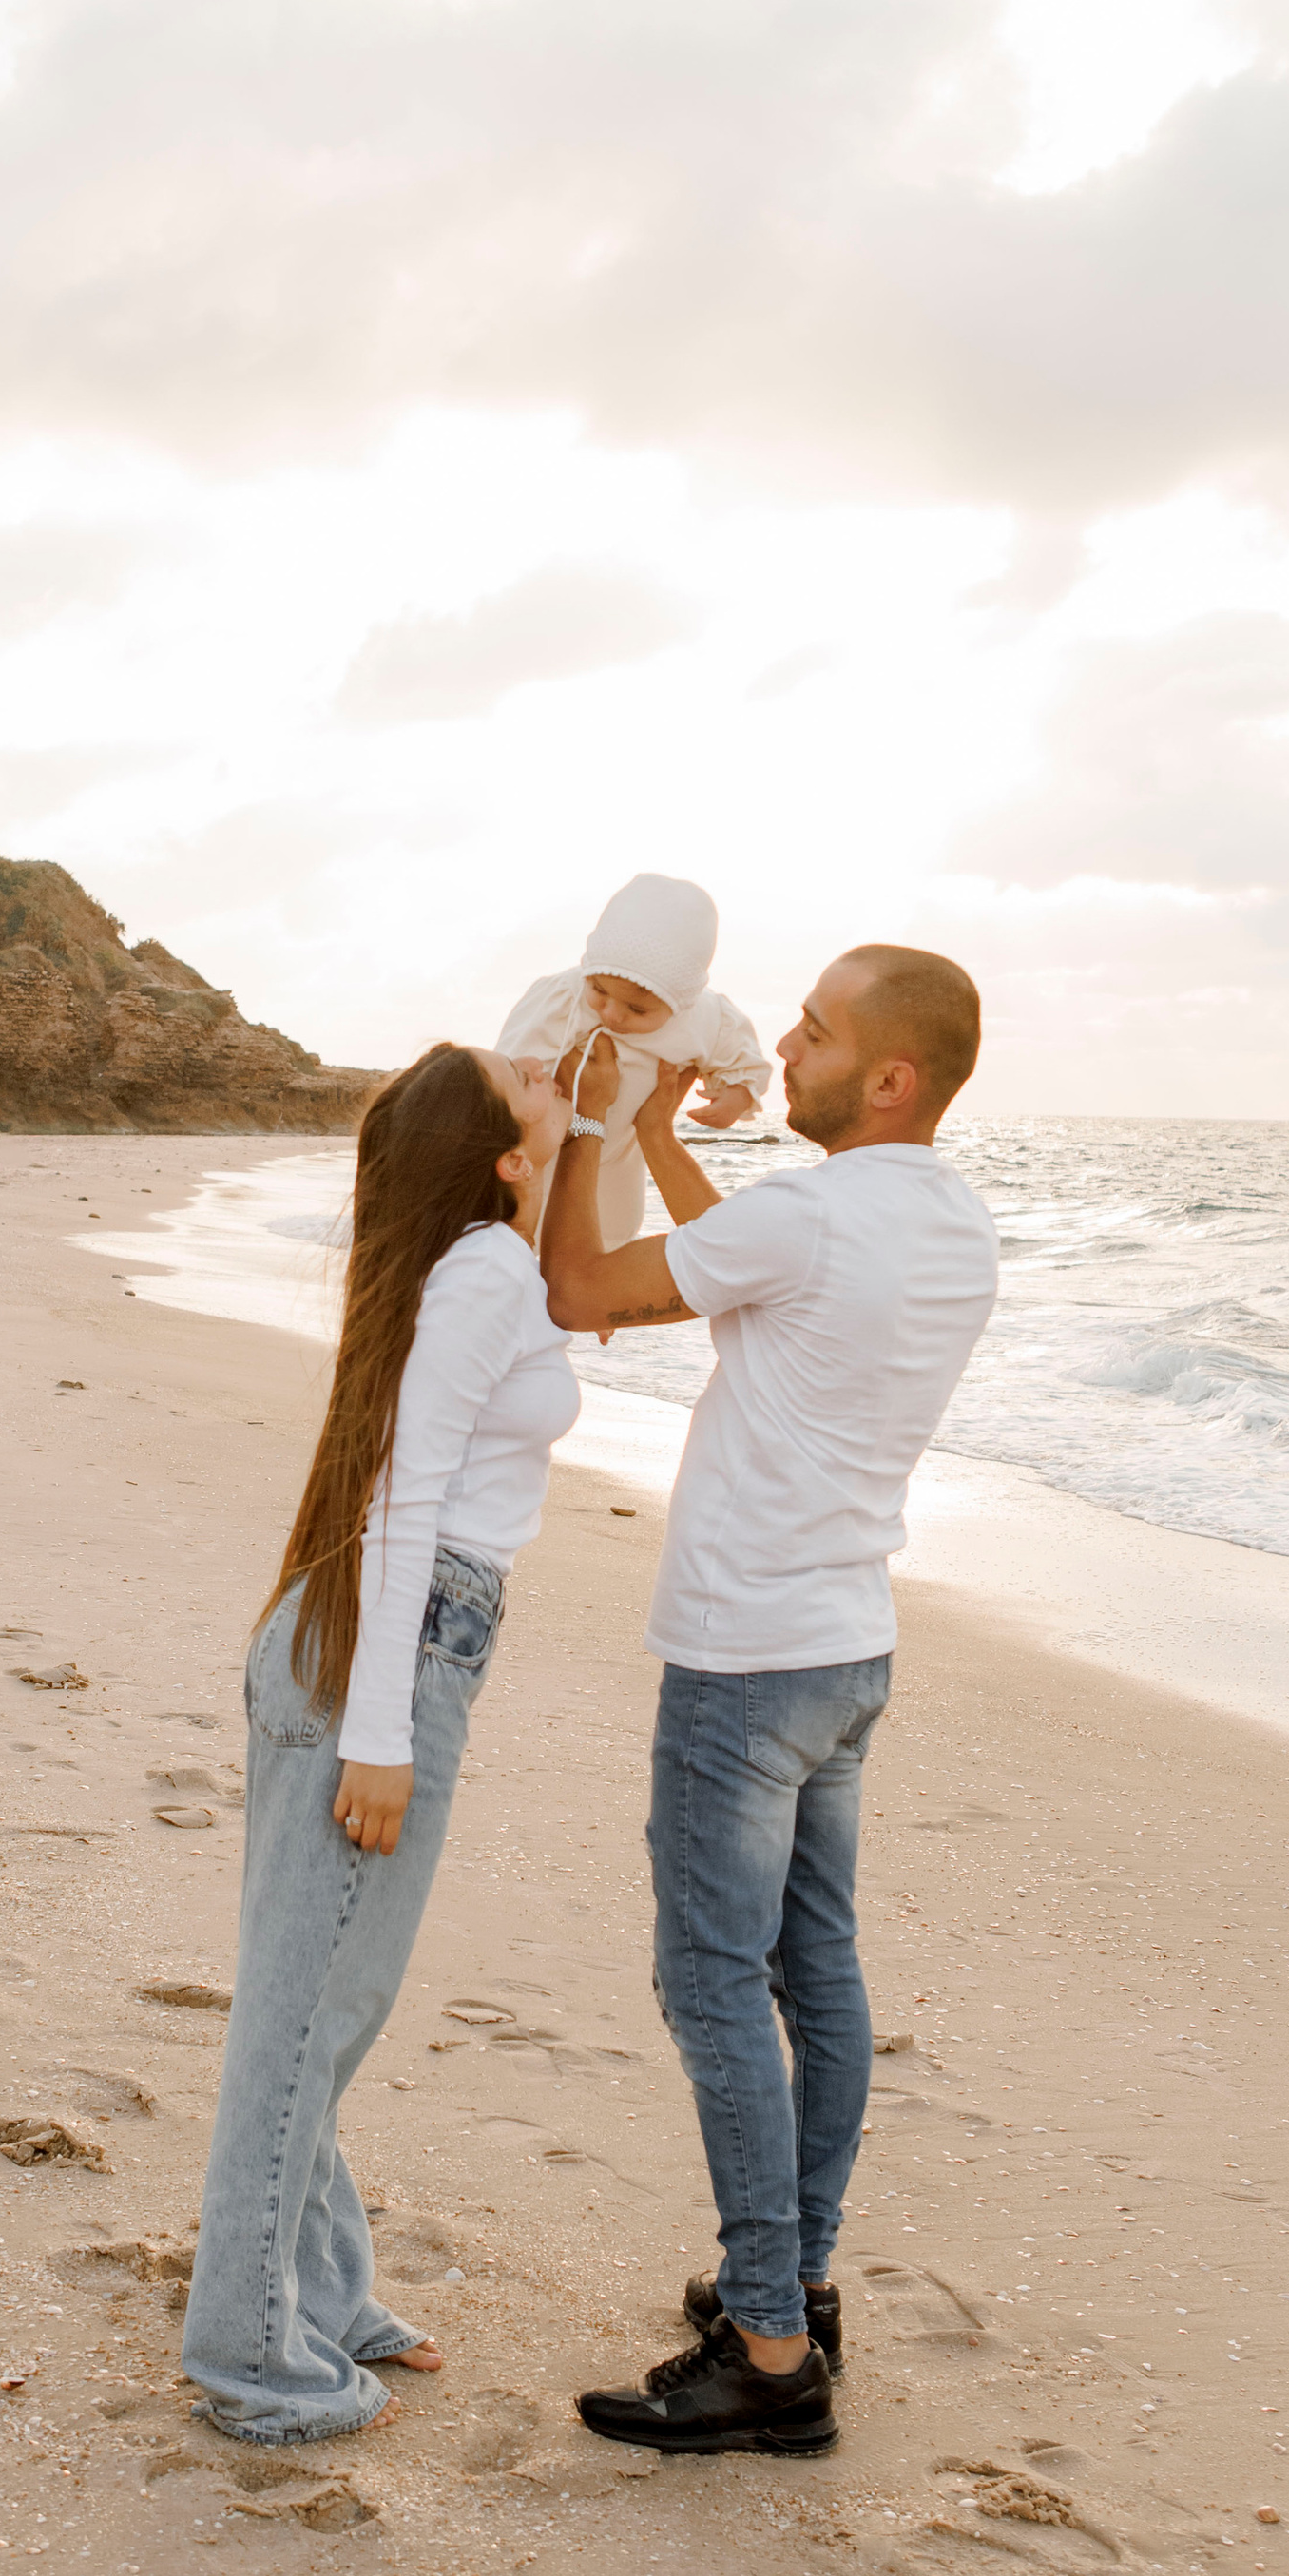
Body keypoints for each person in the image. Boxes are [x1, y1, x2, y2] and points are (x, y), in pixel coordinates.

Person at [542, 947, 998, 2457]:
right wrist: (669, 1129)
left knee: (712, 1981)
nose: (784, 1048)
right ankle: (795, 2276)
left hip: (743, 1661)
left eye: (815, 1032)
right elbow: (759, 1273)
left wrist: (584, 1128)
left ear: (890, 1078)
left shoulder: (806, 1219)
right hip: (846, 1650)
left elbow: (579, 1292)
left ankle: (768, 2348)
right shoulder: (946, 1224)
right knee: (821, 1973)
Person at [181, 1041, 577, 2448]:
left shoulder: (485, 1258)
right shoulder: (479, 1273)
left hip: (366, 1637)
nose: (542, 1055)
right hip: (383, 1651)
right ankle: (247, 2355)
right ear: (491, 1150)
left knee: (320, 2009)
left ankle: (319, 2294)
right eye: (515, 1068)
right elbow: (408, 1500)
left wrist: (617, 1109)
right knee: (305, 2021)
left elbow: (580, 1247)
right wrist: (382, 1734)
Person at [497, 872, 770, 1247]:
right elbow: (511, 1068)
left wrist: (736, 1096)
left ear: (682, 1002)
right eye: (599, 991)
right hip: (542, 1146)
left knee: (611, 1232)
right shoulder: (566, 995)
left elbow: (745, 1062)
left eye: (637, 1009)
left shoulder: (707, 1019)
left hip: (620, 1155)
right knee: (513, 1223)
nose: (611, 1013)